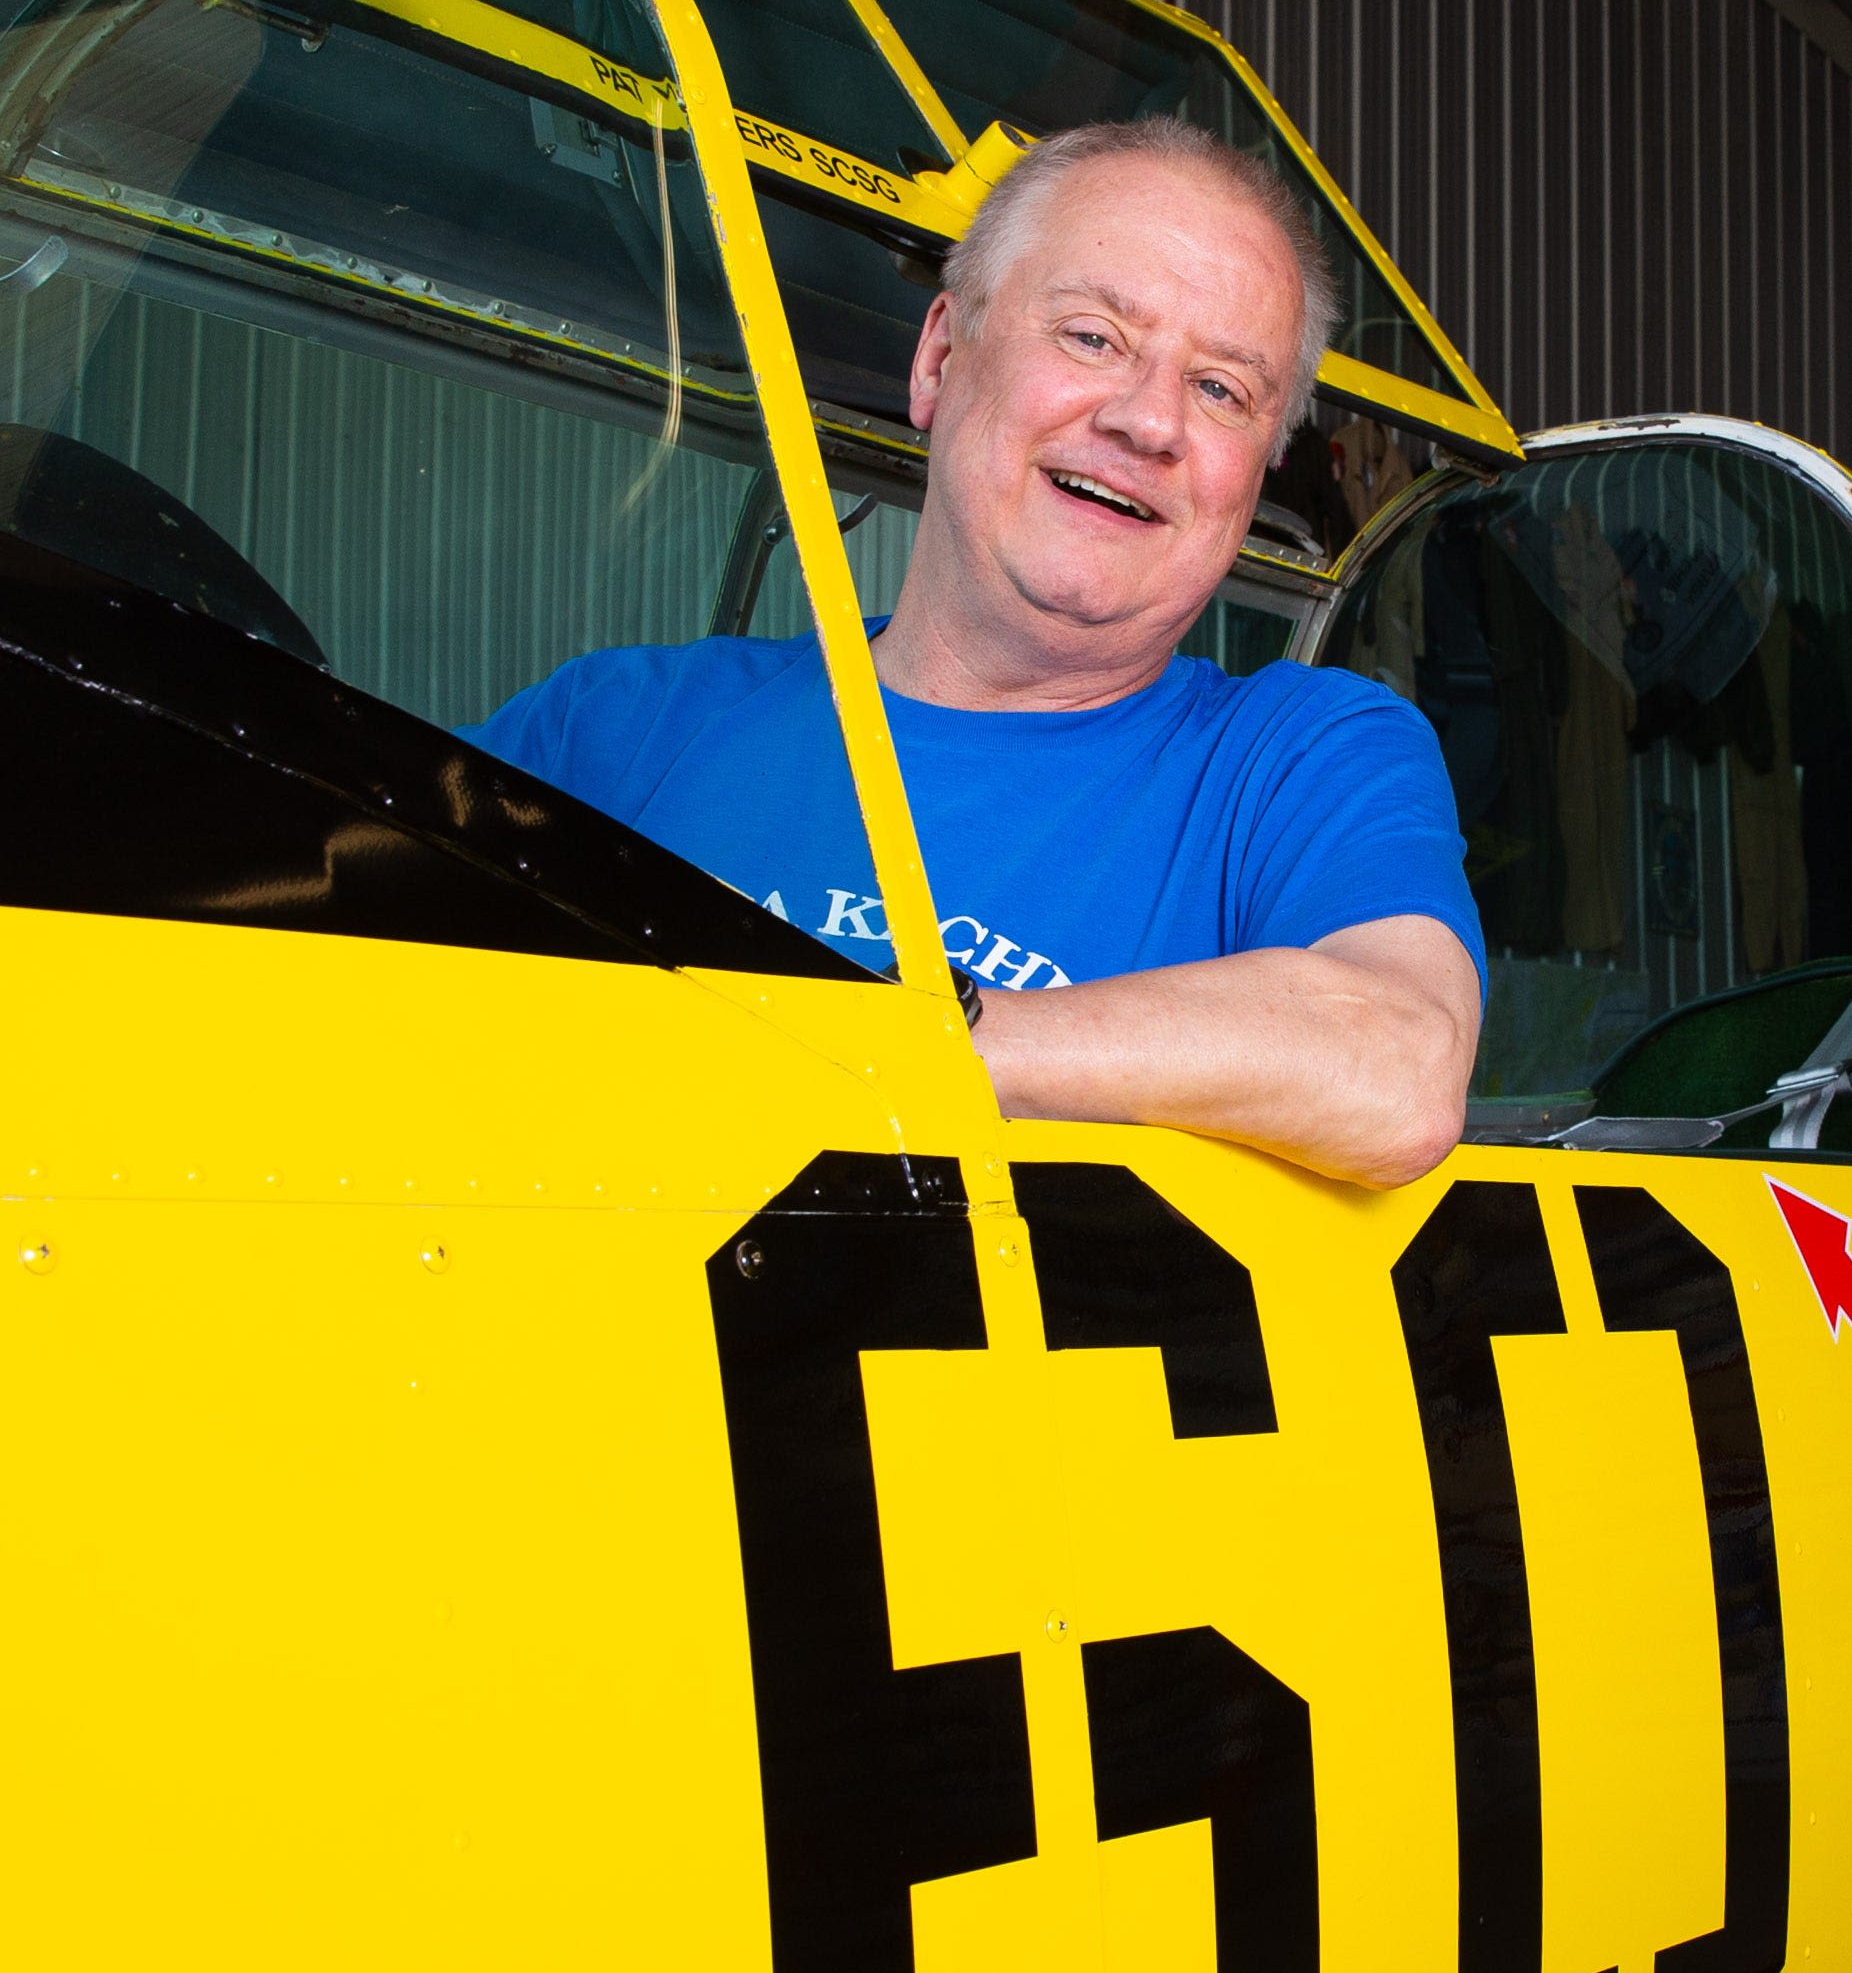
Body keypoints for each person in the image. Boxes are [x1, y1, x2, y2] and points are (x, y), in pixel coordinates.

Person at [472, 117, 1483, 1187]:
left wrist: (887, 1048)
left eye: (1221, 388)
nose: (1149, 423)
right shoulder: (610, 730)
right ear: (941, 358)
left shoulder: (1299, 758)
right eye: (1093, 336)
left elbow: (1396, 1061)